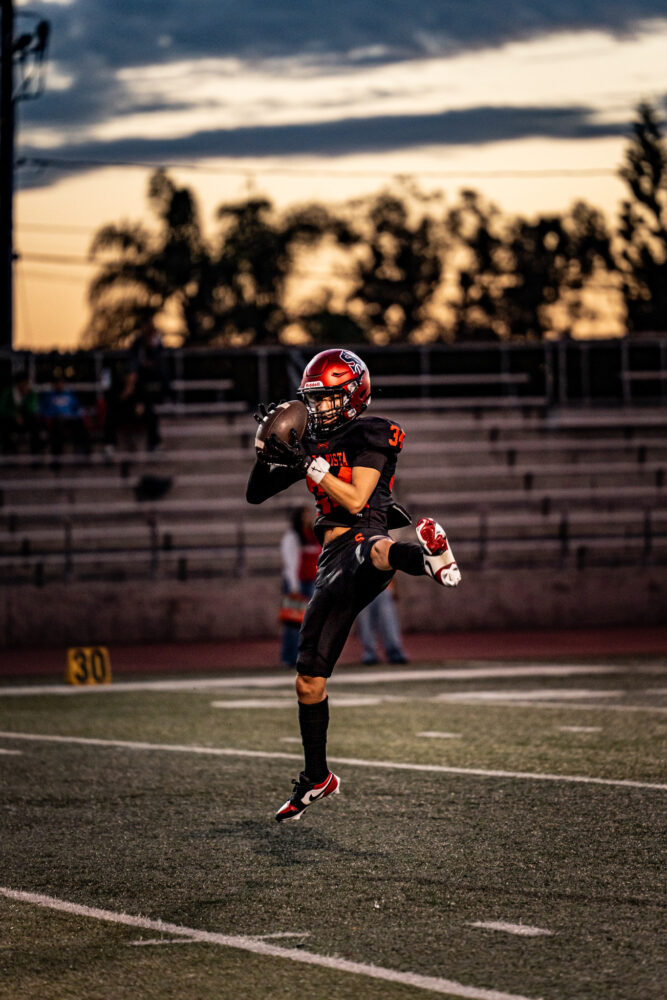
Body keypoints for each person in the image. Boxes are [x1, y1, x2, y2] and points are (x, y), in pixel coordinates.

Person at [246, 348, 461, 823]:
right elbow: (255, 493)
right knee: (308, 680)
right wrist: (268, 450)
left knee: (375, 550)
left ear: (352, 396)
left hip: (364, 532)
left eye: (327, 398)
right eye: (313, 399)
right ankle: (316, 777)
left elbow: (358, 499)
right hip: (331, 562)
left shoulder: (369, 433)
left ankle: (428, 558)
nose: (318, 407)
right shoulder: (312, 443)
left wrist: (309, 464)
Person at [279, 506, 321, 667]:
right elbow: (290, 562)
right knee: (294, 622)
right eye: (304, 515)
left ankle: (306, 655)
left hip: (312, 582)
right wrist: (293, 586)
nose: (308, 518)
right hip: (297, 583)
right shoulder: (292, 536)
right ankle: (289, 657)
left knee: (310, 622)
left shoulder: (314, 535)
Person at [40, 371, 91, 458]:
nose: (59, 385)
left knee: (80, 424)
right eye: (57, 383)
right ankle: (57, 456)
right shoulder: (48, 396)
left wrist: (72, 415)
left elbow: (78, 409)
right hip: (55, 419)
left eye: (61, 383)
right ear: (54, 385)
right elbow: (43, 411)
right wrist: (53, 415)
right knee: (57, 426)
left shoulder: (70, 395)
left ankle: (82, 454)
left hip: (69, 419)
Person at [356, 583, 408, 665]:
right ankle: (370, 652)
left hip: (384, 586)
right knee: (365, 622)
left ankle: (394, 650)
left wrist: (395, 588)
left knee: (388, 619)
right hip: (361, 588)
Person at [0, 370, 42, 454]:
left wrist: (25, 396)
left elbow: (31, 409)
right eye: (25, 383)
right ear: (19, 383)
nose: (26, 385)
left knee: (35, 421)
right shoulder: (8, 392)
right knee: (3, 423)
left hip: (26, 419)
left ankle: (36, 450)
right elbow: (2, 409)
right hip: (11, 420)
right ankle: (8, 449)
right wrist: (15, 415)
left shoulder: (31, 393)